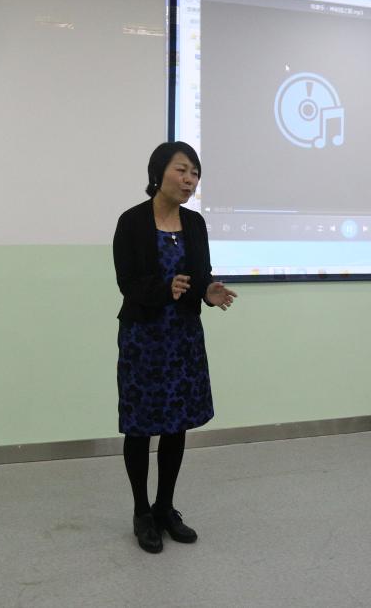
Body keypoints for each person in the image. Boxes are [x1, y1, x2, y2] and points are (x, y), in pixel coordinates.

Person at [112, 141, 237, 554]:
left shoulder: (195, 223)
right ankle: (141, 512)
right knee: (140, 425)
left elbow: (201, 275)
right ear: (158, 172)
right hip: (144, 339)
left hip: (183, 339)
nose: (189, 180)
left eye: (195, 174)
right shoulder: (132, 222)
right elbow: (127, 283)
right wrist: (165, 289)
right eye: (182, 170)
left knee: (176, 425)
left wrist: (208, 291)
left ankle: (165, 507)